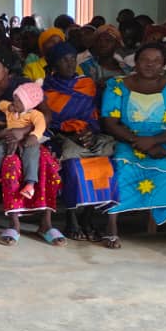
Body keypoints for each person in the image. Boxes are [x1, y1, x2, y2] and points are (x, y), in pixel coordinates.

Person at [100, 43, 166, 249]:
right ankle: (111, 227)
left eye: (156, 60)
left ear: (164, 64)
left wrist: (154, 142)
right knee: (121, 171)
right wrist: (140, 143)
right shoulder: (117, 85)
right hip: (128, 140)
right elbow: (110, 122)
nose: (150, 64)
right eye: (145, 59)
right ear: (135, 62)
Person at [0, 47, 62, 245]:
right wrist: (6, 134)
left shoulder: (24, 87)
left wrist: (23, 133)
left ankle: (46, 223)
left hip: (31, 138)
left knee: (46, 161)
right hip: (4, 142)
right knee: (10, 164)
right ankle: (14, 224)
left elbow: (45, 115)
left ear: (7, 70)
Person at [43, 42, 118, 241]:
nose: (70, 64)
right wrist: (69, 134)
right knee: (74, 167)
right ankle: (71, 217)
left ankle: (88, 216)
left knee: (105, 165)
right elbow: (47, 121)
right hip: (61, 137)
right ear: (53, 64)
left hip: (87, 135)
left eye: (73, 59)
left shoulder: (87, 85)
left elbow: (93, 116)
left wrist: (89, 133)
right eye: (64, 60)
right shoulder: (45, 87)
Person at [0, 82, 47, 201]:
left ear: (28, 104)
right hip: (10, 138)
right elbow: (0, 104)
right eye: (14, 99)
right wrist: (9, 106)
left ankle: (30, 184)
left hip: (27, 140)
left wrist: (34, 136)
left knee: (31, 155)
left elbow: (40, 125)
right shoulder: (12, 110)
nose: (15, 102)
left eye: (19, 101)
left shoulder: (34, 114)